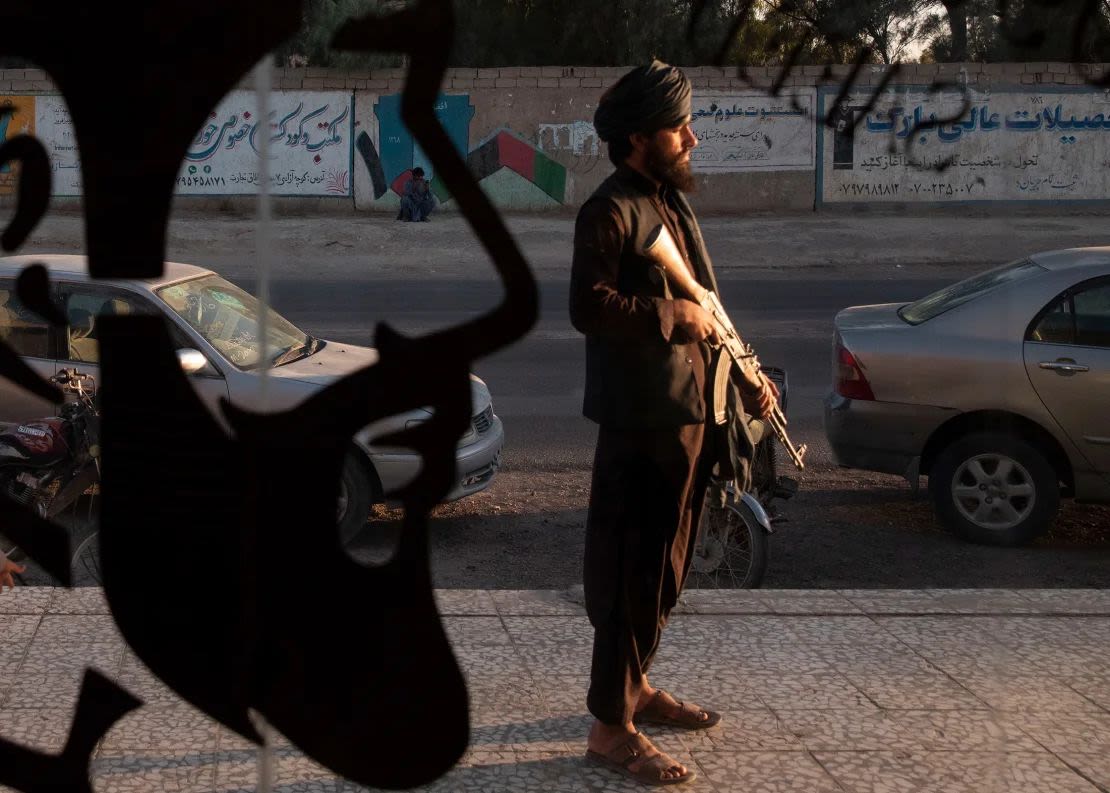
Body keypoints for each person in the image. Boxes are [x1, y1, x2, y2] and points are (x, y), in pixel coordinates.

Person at [570, 60, 778, 786]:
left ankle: (636, 688)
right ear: (638, 138)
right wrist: (669, 315)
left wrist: (746, 379)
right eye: (677, 127)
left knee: (668, 569)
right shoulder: (611, 211)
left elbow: (710, 308)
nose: (692, 136)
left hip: (690, 416)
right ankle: (609, 726)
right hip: (641, 423)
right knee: (630, 574)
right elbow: (586, 307)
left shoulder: (671, 205)